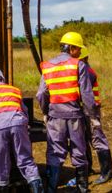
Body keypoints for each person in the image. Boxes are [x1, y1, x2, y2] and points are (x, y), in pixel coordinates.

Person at [35, 32, 97, 192]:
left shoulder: (47, 66)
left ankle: (51, 189)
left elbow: (41, 94)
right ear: (72, 48)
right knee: (79, 151)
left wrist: (46, 111)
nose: (79, 53)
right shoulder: (78, 65)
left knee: (55, 152)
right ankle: (82, 188)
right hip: (75, 116)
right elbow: (87, 95)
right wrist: (92, 116)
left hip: (55, 116)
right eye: (78, 49)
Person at [0, 67, 43, 193]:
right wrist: (25, 125)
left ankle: (2, 189)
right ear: (2, 78)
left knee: (0, 161)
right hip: (18, 122)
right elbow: (24, 109)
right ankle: (37, 189)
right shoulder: (13, 89)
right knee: (25, 158)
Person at [80, 47, 112, 185]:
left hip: (90, 110)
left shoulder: (85, 71)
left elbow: (86, 95)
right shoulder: (84, 69)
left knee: (97, 138)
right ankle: (89, 169)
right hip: (85, 109)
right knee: (83, 138)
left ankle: (106, 173)